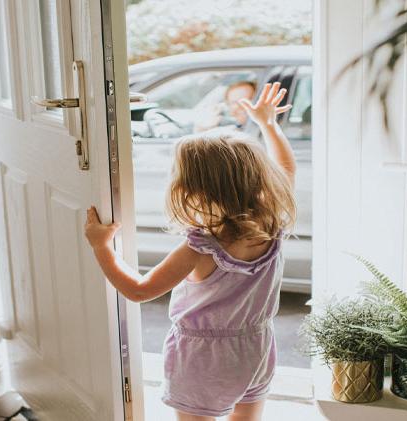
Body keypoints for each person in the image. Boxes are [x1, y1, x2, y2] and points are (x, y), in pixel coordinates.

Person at [85, 82, 295, 421]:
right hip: (255, 348)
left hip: (202, 359)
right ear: (261, 179)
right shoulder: (273, 224)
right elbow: (287, 170)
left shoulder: (201, 247)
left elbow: (140, 291)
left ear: (192, 189)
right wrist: (268, 125)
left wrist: (101, 247)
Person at [193, 80, 257, 132]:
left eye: (247, 100)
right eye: (234, 103)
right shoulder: (233, 131)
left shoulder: (262, 129)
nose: (240, 106)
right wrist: (204, 127)